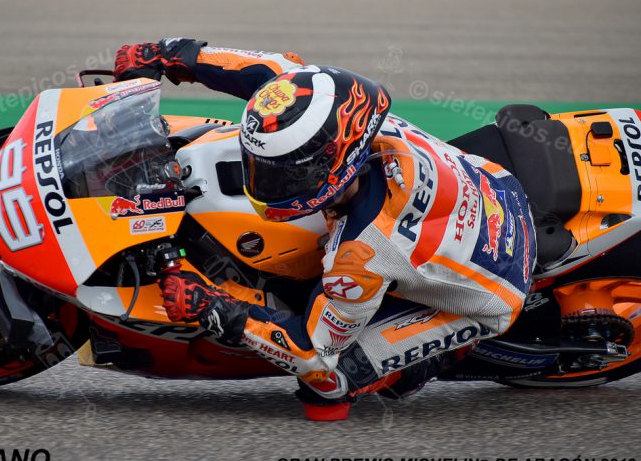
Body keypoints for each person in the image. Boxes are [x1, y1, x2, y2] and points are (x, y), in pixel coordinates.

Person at [113, 39, 537, 420]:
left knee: (326, 381)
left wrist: (214, 308)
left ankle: (422, 366)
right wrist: (172, 55)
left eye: (281, 176)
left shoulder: (360, 256)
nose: (263, 183)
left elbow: (312, 350)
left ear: (333, 168)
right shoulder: (336, 108)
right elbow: (275, 70)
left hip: (491, 293)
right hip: (491, 181)